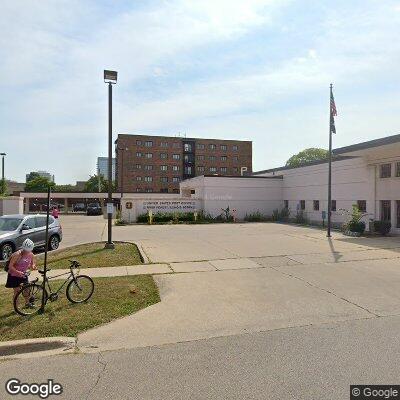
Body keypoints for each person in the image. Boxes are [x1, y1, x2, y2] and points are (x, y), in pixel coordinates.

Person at [5, 239, 37, 306]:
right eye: (25, 250)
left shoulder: (31, 255)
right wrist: (17, 272)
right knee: (17, 292)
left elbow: (32, 264)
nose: (26, 252)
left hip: (23, 274)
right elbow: (10, 266)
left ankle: (27, 303)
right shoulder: (17, 254)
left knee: (27, 289)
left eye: (28, 250)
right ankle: (16, 307)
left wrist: (33, 266)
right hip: (13, 275)